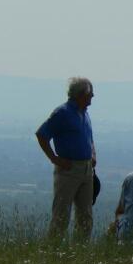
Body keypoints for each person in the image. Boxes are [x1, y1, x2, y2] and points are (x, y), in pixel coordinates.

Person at [36, 77, 96, 243]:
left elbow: (89, 138)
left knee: (85, 215)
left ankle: (80, 250)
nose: (92, 98)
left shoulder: (84, 113)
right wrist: (54, 158)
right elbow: (42, 135)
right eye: (90, 94)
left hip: (86, 169)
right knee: (61, 214)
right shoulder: (62, 113)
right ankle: (54, 249)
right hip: (69, 170)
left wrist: (93, 155)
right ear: (81, 94)